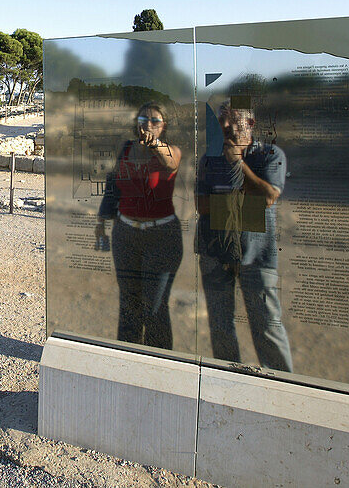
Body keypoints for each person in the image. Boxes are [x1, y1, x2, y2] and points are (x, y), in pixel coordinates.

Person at [195, 99, 293, 371]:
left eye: (232, 120)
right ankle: (229, 381)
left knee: (267, 328)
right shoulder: (209, 158)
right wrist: (245, 200)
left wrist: (238, 163)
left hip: (256, 255)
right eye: (221, 121)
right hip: (214, 252)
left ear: (250, 124)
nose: (225, 126)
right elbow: (200, 206)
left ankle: (284, 387)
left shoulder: (271, 155)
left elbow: (269, 196)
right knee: (220, 326)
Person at [95, 102, 183, 350]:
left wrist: (154, 144)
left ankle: (159, 364)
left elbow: (171, 164)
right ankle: (128, 358)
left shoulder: (171, 150)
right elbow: (114, 186)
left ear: (164, 125)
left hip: (161, 236)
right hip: (126, 234)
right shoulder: (126, 148)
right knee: (129, 303)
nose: (148, 124)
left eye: (155, 120)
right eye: (143, 119)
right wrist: (101, 223)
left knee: (154, 306)